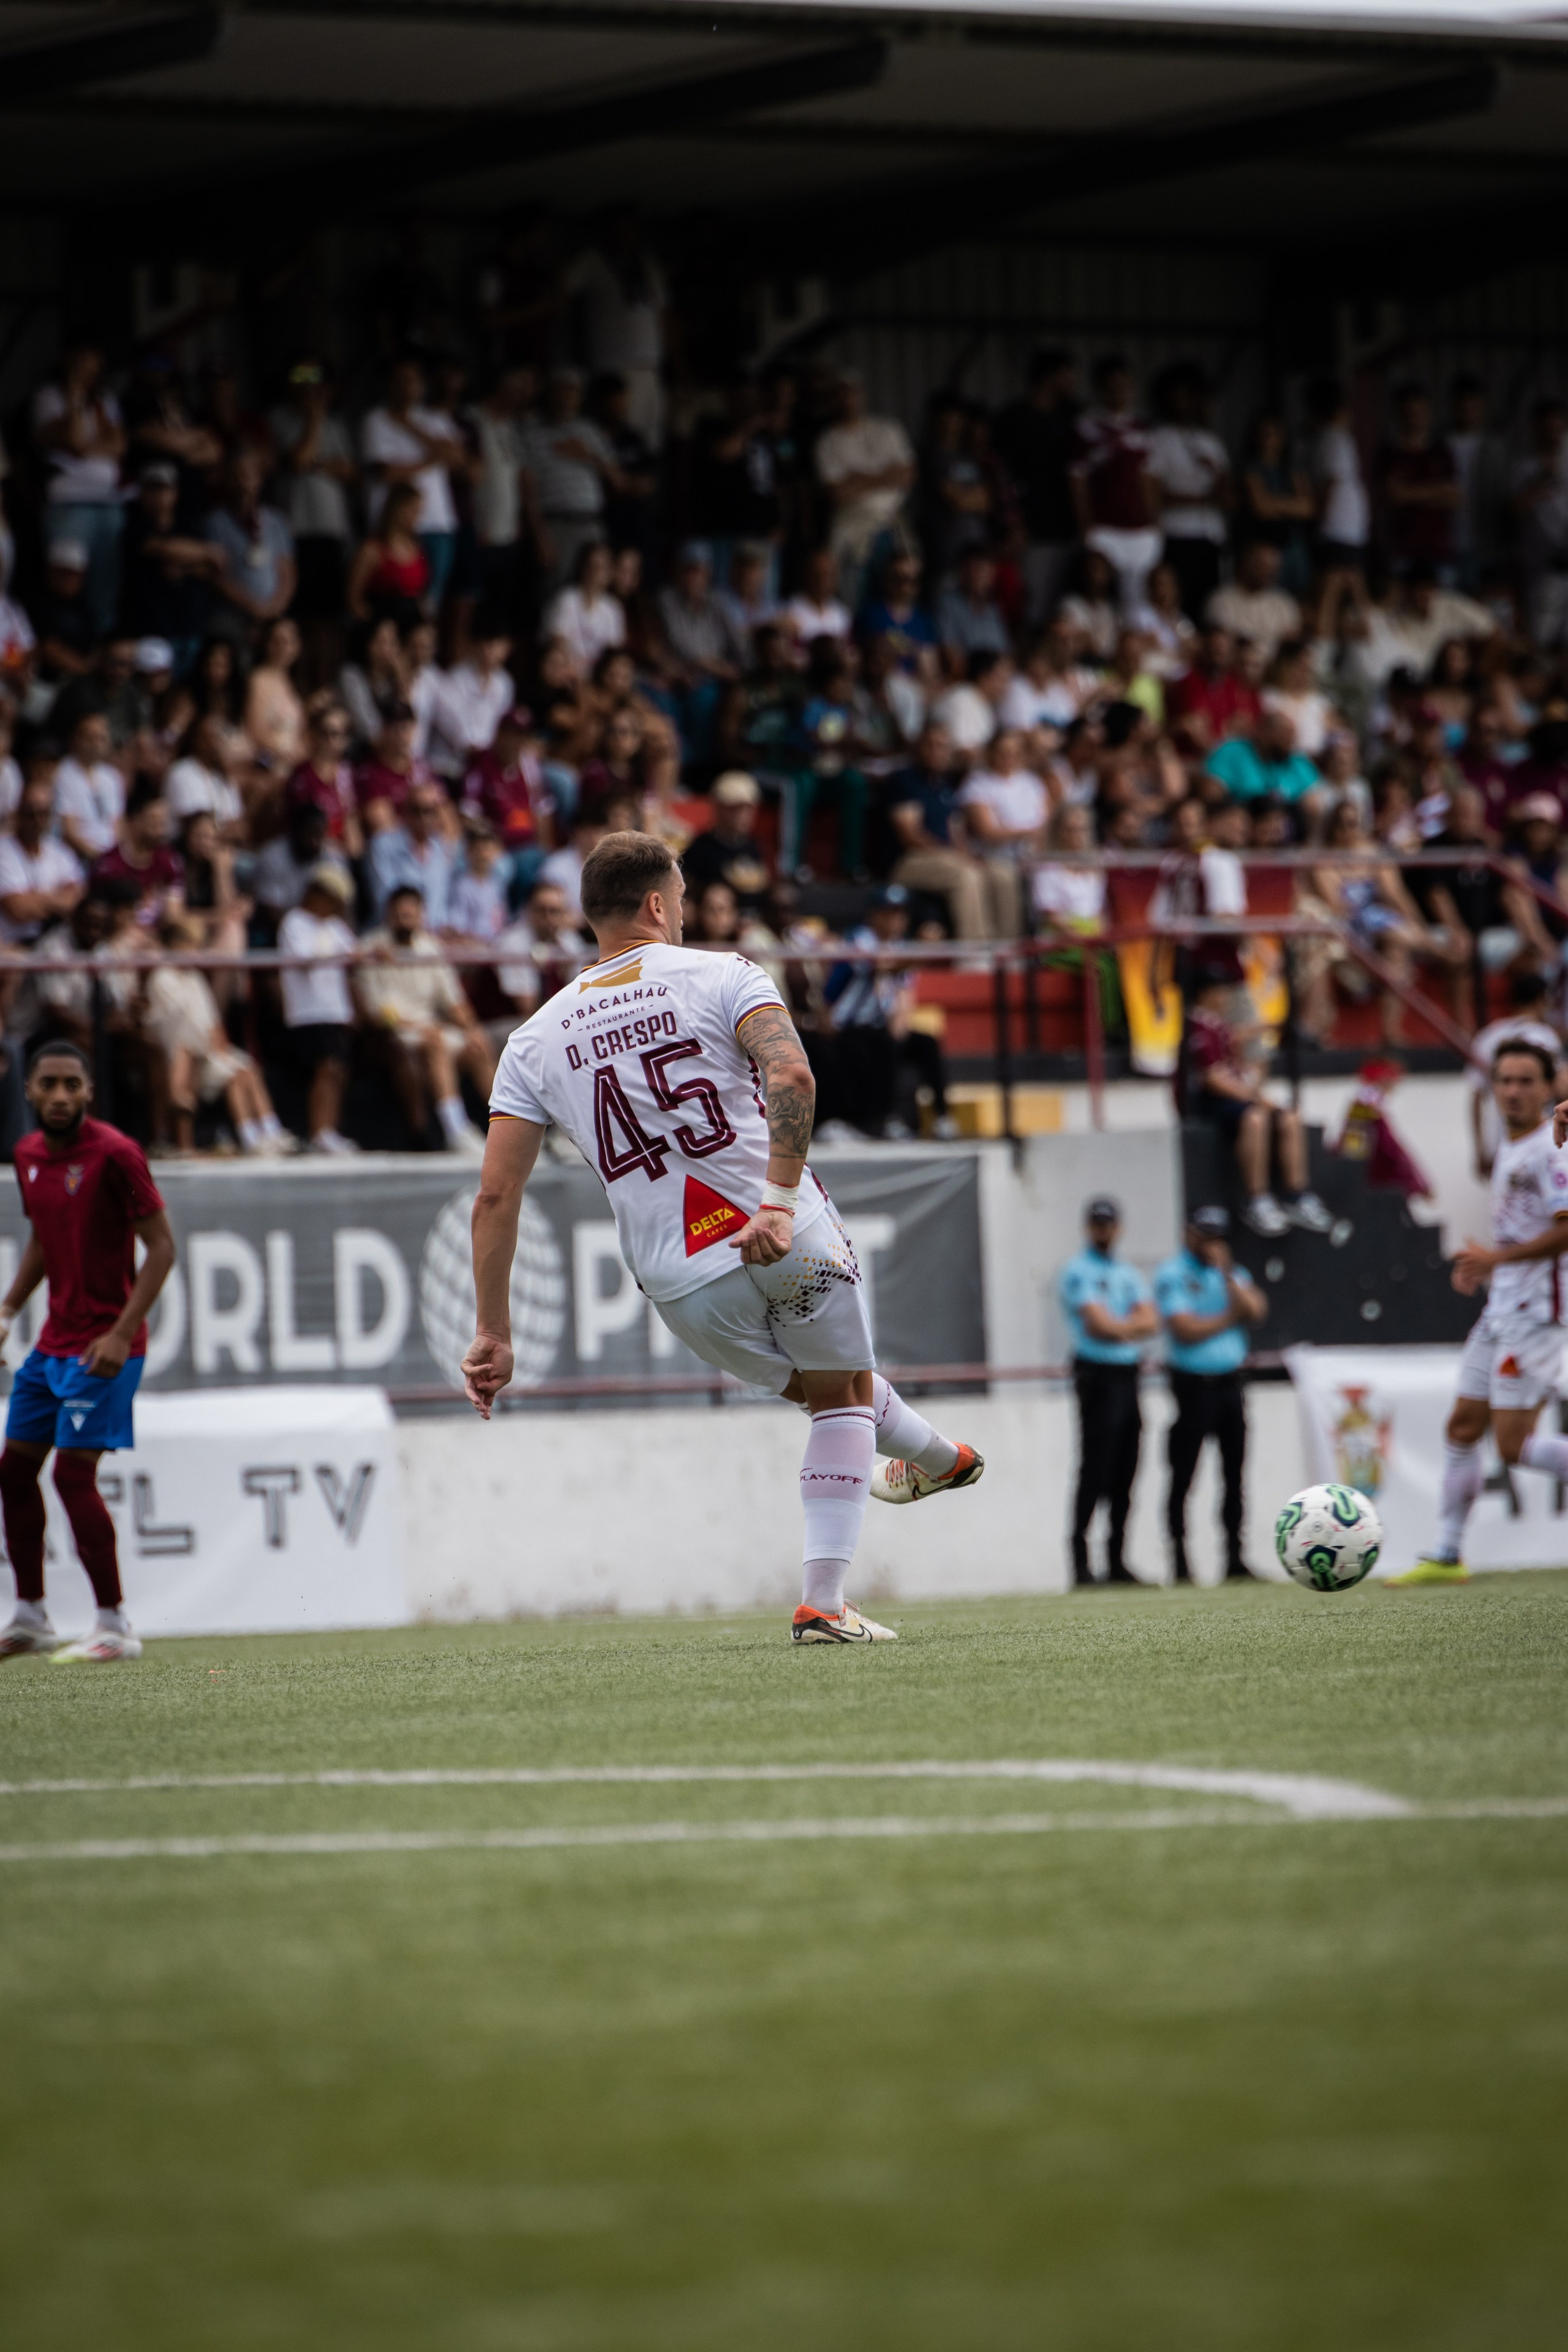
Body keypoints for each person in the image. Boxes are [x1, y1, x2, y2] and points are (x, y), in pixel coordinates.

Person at [464, 829, 982, 1643]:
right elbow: (793, 1074)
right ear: (659, 905)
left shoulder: (533, 1039)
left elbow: (496, 1195)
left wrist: (493, 1330)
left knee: (826, 1396)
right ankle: (823, 1600)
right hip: (781, 1228)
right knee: (842, 1395)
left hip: (680, 1282)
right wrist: (776, 1202)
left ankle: (939, 1458)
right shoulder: (724, 973)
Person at [0, 1040, 176, 1662]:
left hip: (107, 1349)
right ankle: (31, 1616)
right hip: (52, 1346)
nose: (58, 1096)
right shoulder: (26, 1155)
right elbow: (44, 1239)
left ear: (88, 1092)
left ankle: (114, 1624)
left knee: (74, 1475)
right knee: (13, 1472)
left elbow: (161, 1248)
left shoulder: (116, 1154)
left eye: (71, 1084)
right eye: (47, 1084)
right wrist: (8, 1309)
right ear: (29, 1090)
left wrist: (123, 1331)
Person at [1401, 1044, 1568, 1584]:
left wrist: (1496, 1259)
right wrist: (1488, 1269)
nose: (1513, 1092)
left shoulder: (1552, 1149)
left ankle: (1448, 1551)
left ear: (1549, 1087)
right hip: (1503, 1308)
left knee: (1515, 1445)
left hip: (1539, 1315)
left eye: (1525, 1081)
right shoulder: (1511, 1147)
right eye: (1504, 1081)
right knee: (1462, 1425)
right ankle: (1447, 1553)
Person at [1153, 1204, 1267, 1585]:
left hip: (1230, 1385)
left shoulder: (1233, 1274)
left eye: (1217, 1236)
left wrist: (1229, 1276)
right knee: (1184, 1475)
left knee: (1234, 1476)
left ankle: (1235, 1558)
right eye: (1205, 1235)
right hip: (1193, 1386)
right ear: (1190, 1234)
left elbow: (1256, 1309)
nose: (1211, 1243)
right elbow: (1185, 1329)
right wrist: (1228, 1318)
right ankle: (1180, 1562)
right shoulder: (1173, 1274)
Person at [1182, 971, 1333, 1238]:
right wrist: (1254, 1096)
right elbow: (1212, 1079)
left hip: (1238, 1098)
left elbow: (1236, 1037)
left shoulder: (1218, 1027)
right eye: (1222, 991)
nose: (1227, 997)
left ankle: (1297, 1195)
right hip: (1208, 1104)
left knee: (1289, 1117)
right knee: (1256, 1118)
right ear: (1207, 994)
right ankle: (1257, 1198)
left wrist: (1271, 1026)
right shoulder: (1196, 1028)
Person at [1059, 1196, 1159, 1588]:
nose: (1104, 1231)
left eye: (1109, 1224)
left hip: (1128, 1375)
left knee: (1126, 1467)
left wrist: (1124, 1327)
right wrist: (1128, 1326)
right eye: (1098, 1224)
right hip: (1097, 1375)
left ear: (1118, 1227)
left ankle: (1117, 1559)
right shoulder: (1078, 1270)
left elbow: (1151, 1321)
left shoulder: (1127, 1272)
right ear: (1089, 1227)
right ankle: (1082, 1564)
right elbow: (1099, 1326)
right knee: (1094, 1467)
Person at [356, 883, 492, 1155]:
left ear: (421, 915)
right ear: (389, 914)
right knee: (436, 1044)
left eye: (410, 915)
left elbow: (454, 1002)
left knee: (479, 1047)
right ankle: (456, 1131)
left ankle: (514, 1127)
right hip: (399, 1034)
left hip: (432, 1029)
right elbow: (378, 1016)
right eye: (399, 915)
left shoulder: (431, 948)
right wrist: (427, 1028)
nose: (405, 920)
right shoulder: (370, 948)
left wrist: (473, 1029)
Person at [277, 862, 359, 1153]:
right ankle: (318, 1131)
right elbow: (304, 958)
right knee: (324, 1070)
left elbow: (353, 952)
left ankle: (330, 1130)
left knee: (337, 1071)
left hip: (335, 1010)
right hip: (308, 1013)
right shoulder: (294, 922)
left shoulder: (335, 927)